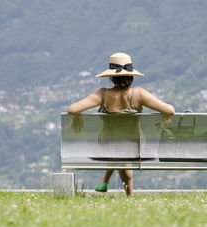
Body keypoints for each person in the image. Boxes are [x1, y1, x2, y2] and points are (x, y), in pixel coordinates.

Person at [67, 52, 175, 196]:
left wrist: (78, 115)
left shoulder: (102, 94)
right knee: (123, 150)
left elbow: (72, 109)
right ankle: (127, 195)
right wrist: (165, 115)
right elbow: (170, 109)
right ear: (131, 76)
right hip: (136, 145)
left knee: (117, 147)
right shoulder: (139, 94)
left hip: (106, 146)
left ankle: (105, 180)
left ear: (112, 77)